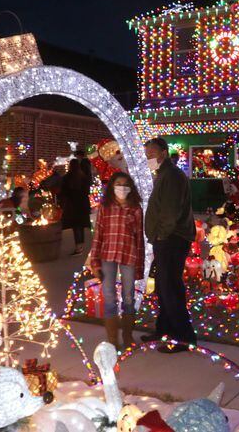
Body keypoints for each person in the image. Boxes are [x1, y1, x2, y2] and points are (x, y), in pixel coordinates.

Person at [142, 137, 197, 353]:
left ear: (163, 153)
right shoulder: (164, 175)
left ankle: (183, 337)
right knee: (164, 286)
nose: (148, 158)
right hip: (166, 238)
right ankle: (163, 329)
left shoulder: (172, 176)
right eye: (146, 155)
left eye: (151, 154)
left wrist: (162, 235)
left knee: (170, 287)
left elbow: (170, 212)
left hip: (172, 238)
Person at [87, 172, 145, 349]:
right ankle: (112, 340)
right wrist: (94, 261)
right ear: (112, 186)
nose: (121, 187)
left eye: (125, 184)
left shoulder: (135, 209)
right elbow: (98, 234)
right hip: (107, 256)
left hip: (129, 255)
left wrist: (139, 266)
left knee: (128, 296)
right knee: (109, 296)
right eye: (118, 183)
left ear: (130, 187)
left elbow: (139, 239)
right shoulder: (105, 207)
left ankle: (127, 337)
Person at [60, 159, 92, 256]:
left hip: (72, 205)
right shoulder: (83, 177)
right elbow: (87, 191)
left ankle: (78, 247)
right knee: (80, 226)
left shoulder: (66, 178)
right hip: (82, 204)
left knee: (75, 226)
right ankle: (80, 246)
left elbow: (63, 192)